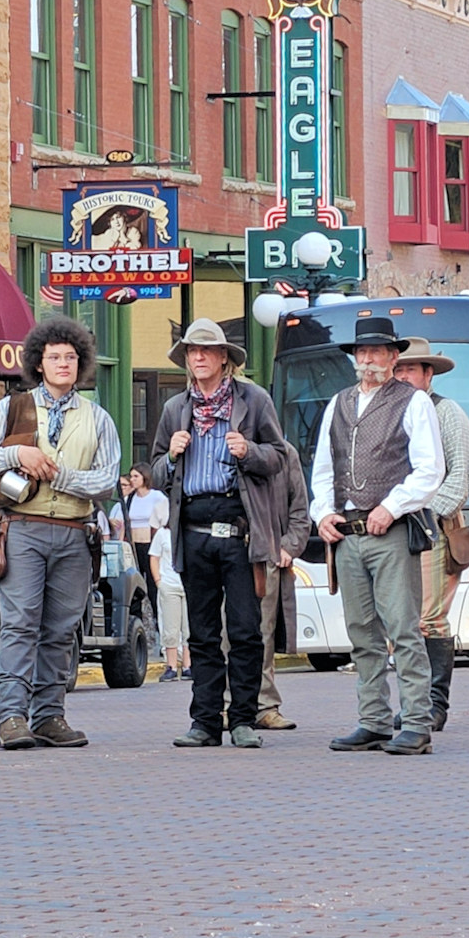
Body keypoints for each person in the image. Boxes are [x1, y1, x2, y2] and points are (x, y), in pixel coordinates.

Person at [0, 315, 120, 750]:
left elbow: (107, 480)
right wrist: (18, 453)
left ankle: (50, 716)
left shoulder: (97, 418)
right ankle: (12, 716)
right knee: (19, 624)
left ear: (81, 363)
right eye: (55, 357)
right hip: (21, 529)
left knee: (61, 628)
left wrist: (58, 475)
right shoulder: (10, 408)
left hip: (74, 533)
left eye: (71, 357)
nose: (63, 364)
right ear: (38, 363)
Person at [311, 316, 444, 756]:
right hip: (347, 532)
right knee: (361, 631)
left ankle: (418, 722)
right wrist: (323, 513)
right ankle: (373, 720)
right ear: (354, 358)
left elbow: (430, 469)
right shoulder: (339, 403)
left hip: (390, 529)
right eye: (361, 352)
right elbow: (324, 470)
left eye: (377, 352)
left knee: (403, 627)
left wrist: (392, 506)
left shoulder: (412, 402)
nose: (368, 359)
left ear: (393, 357)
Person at [151, 318, 286, 750]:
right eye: (192, 352)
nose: (199, 358)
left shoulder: (253, 400)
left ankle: (243, 719)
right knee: (202, 633)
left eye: (206, 351)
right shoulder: (176, 408)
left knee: (246, 630)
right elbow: (153, 473)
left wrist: (250, 452)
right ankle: (205, 721)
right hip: (192, 528)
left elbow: (280, 458)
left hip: (240, 531)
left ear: (224, 357)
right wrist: (171, 457)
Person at [391, 337, 469, 733]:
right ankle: (414, 703)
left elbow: (462, 473)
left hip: (433, 528)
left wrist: (427, 513)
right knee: (400, 619)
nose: (403, 376)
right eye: (399, 369)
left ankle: (433, 704)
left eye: (410, 369)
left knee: (428, 618)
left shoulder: (447, 413)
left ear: (429, 374)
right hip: (392, 527)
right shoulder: (388, 412)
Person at [254, 441, 312, 731]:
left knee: (263, 633)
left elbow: (300, 509)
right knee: (221, 632)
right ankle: (225, 705)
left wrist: (288, 546)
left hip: (268, 556)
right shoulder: (216, 442)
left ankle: (265, 706)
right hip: (225, 550)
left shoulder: (285, 453)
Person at [109, 464, 170, 628]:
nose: (133, 480)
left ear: (145, 477)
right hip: (133, 546)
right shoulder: (128, 500)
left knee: (153, 586)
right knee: (133, 585)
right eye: (132, 476)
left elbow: (165, 522)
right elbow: (123, 525)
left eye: (136, 476)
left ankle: (160, 624)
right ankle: (135, 623)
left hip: (151, 546)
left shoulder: (157, 497)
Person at [147, 526, 188, 680]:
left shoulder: (188, 531)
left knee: (188, 628)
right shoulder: (162, 533)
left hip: (188, 584)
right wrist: (159, 581)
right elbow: (154, 557)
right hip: (169, 585)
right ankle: (171, 665)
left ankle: (187, 665)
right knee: (170, 627)